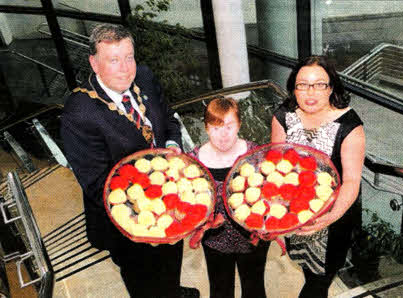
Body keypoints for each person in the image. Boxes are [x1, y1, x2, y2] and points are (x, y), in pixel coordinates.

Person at [60, 24, 199, 298]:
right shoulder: (79, 113)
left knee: (171, 259)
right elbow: (97, 183)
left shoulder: (144, 76)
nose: (125, 68)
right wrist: (152, 205)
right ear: (94, 63)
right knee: (144, 281)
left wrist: (171, 145)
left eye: (129, 57)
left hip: (170, 198)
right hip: (127, 221)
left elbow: (168, 119)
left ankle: (172, 289)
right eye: (113, 60)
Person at [271, 55, 365, 297]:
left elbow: (352, 180)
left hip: (334, 220)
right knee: (305, 268)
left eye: (319, 84)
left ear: (331, 87)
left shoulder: (349, 124)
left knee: (318, 282)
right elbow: (275, 170)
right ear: (293, 87)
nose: (310, 92)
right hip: (295, 214)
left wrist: (330, 217)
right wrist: (278, 219)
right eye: (302, 84)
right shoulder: (283, 116)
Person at [190, 97, 270, 298]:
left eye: (229, 126)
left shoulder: (255, 153)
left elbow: (271, 194)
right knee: (220, 291)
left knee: (254, 290)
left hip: (252, 239)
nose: (223, 135)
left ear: (239, 125)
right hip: (215, 242)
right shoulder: (194, 160)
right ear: (206, 128)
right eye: (215, 128)